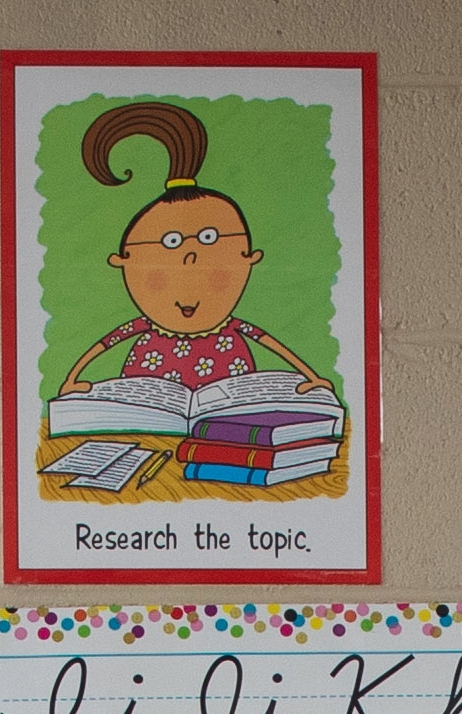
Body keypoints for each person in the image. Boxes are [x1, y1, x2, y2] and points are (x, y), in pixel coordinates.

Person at [44, 103, 344, 457]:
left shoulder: (233, 329)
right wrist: (71, 381)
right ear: (123, 263)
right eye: (168, 244)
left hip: (228, 435)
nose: (190, 258)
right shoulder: (142, 328)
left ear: (249, 260)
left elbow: (272, 344)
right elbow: (102, 346)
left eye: (209, 241)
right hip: (151, 437)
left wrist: (311, 379)